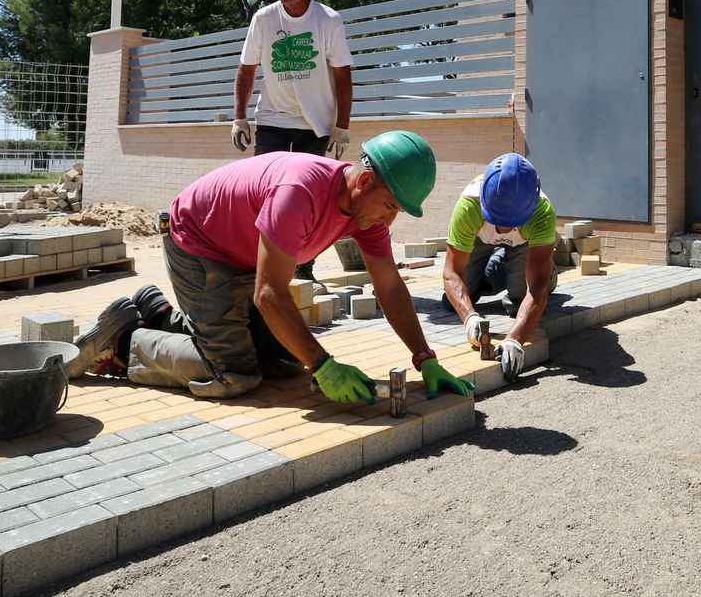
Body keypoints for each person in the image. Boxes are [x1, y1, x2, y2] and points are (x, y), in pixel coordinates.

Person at [70, 130, 474, 405]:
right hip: (199, 243)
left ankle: (156, 312)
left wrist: (426, 357)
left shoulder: (364, 214)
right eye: (390, 206)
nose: (390, 221)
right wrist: (324, 364)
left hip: (244, 253)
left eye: (398, 212)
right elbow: (269, 294)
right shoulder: (300, 191)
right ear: (364, 182)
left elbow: (389, 287)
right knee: (234, 375)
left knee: (281, 363)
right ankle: (122, 342)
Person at [231, 0, 354, 284]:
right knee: (262, 194)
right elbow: (246, 69)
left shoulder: (327, 21)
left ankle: (304, 266)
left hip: (314, 125)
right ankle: (257, 265)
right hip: (272, 119)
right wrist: (240, 116)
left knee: (310, 199)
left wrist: (341, 128)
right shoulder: (265, 18)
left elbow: (343, 77)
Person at [440, 153, 558, 383]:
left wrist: (515, 339)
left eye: (511, 220)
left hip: (525, 243)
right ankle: (499, 263)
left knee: (518, 304)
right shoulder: (469, 205)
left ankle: (547, 268)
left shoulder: (542, 212)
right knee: (456, 299)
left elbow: (537, 286)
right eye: (498, 219)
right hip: (480, 238)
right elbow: (451, 272)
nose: (504, 227)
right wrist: (470, 318)